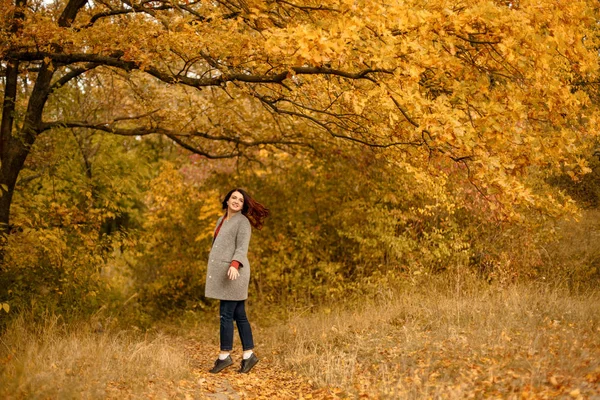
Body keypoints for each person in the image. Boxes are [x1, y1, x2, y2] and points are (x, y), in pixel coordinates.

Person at [205, 188, 269, 374]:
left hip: (235, 273)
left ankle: (224, 356)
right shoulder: (221, 220)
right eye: (233, 197)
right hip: (225, 273)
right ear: (227, 200)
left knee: (226, 314)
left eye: (240, 200)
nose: (236, 201)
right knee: (239, 315)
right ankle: (249, 355)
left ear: (243, 205)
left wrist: (234, 265)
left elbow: (241, 248)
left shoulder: (242, 222)